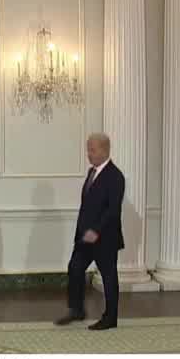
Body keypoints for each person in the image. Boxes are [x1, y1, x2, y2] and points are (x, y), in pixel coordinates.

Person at [56, 133, 124, 331]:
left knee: (108, 277)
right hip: (85, 238)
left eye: (92, 150)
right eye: (88, 149)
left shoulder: (115, 176)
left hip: (105, 238)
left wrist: (96, 230)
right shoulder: (91, 173)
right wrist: (82, 232)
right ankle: (76, 310)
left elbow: (113, 210)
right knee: (75, 268)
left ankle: (111, 318)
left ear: (104, 150)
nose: (89, 154)